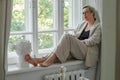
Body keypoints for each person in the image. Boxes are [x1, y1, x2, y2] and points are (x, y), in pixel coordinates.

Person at [24, 5, 102, 67]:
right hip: (78, 49)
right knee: (61, 50)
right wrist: (74, 39)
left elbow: (94, 41)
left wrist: (81, 41)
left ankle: (48, 61)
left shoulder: (97, 26)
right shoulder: (82, 24)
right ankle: (39, 60)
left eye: (86, 12)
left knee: (66, 36)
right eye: (83, 13)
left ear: (92, 13)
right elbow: (75, 35)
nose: (84, 15)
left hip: (87, 51)